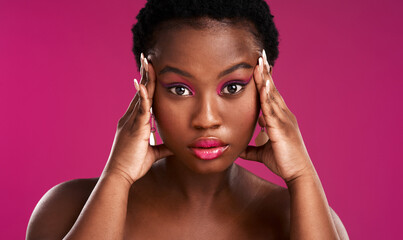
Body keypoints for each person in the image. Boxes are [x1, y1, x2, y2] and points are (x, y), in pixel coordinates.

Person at [26, 0, 349, 239]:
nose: (206, 119)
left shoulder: (306, 218)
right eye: (180, 89)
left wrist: (303, 175)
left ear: (265, 85)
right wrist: (118, 177)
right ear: (147, 83)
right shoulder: (65, 209)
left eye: (233, 87)